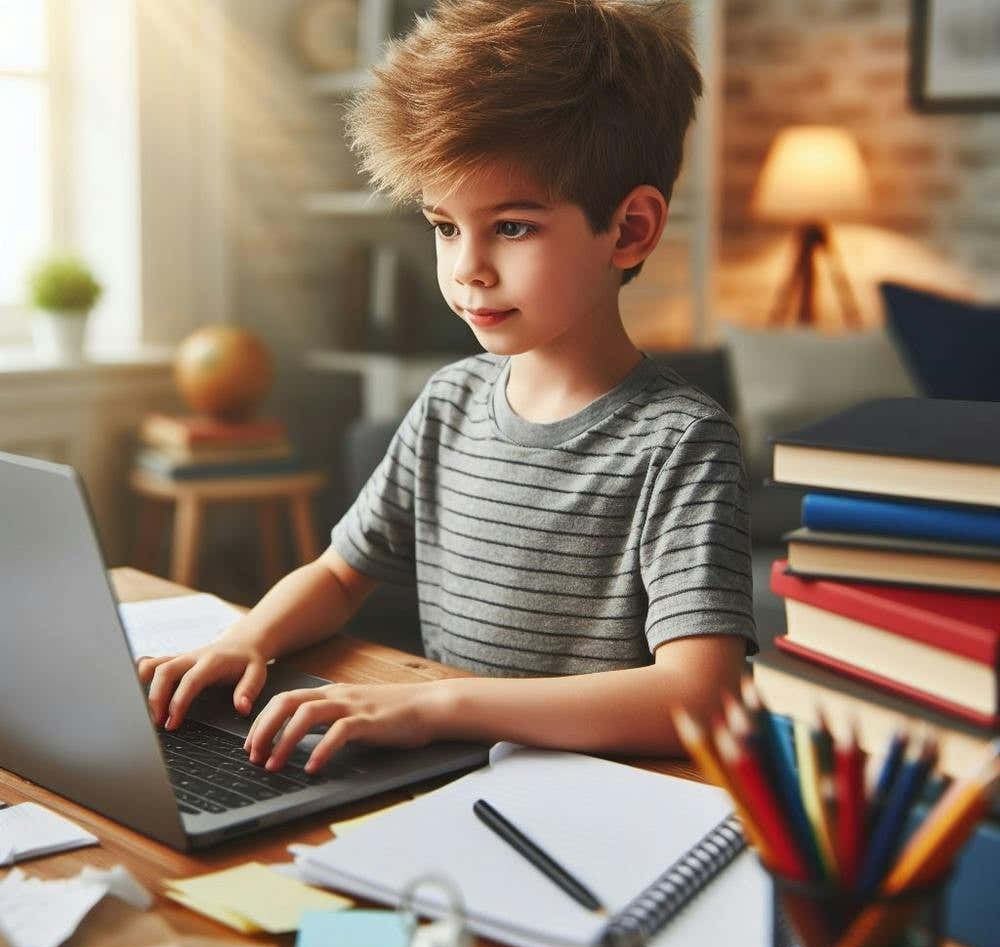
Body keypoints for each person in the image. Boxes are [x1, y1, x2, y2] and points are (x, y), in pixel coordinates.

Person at [138, 0, 756, 774]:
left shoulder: (679, 442)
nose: (467, 268)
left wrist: (432, 706)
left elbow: (701, 699)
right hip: (453, 778)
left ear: (629, 229)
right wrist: (245, 640)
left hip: (600, 801)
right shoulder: (450, 403)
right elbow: (338, 573)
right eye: (444, 226)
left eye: (512, 226)